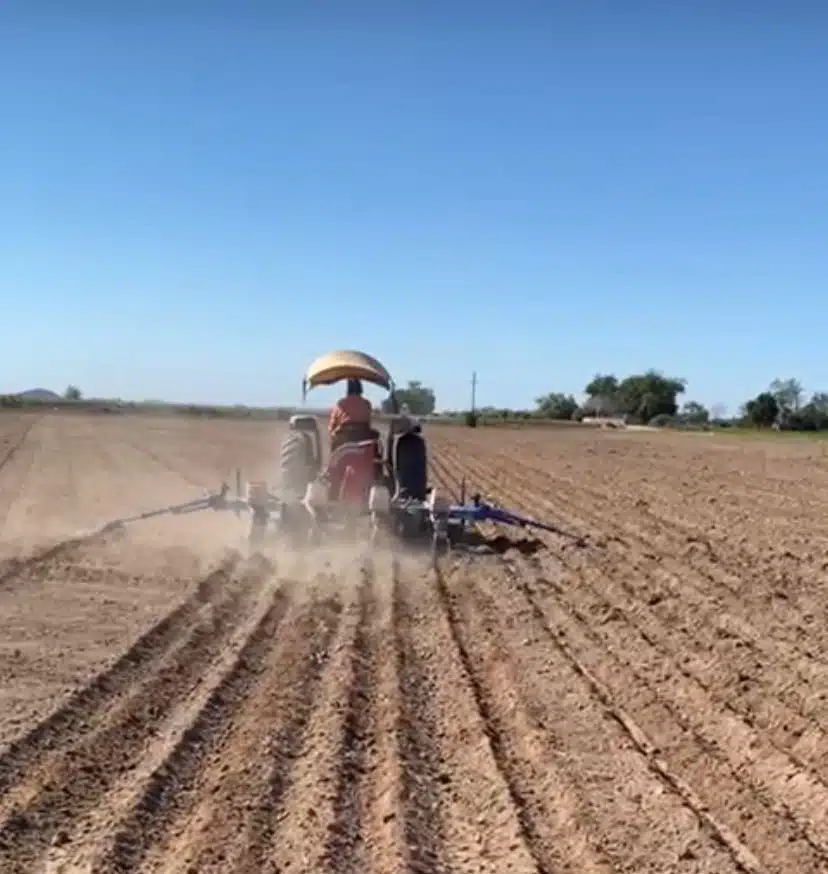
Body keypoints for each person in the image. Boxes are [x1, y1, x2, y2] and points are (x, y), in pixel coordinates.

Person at [328, 378, 372, 447]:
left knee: (334, 438)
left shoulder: (340, 403)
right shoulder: (367, 403)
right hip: (363, 439)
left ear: (348, 389)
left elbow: (332, 426)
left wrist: (333, 432)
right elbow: (368, 422)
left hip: (344, 441)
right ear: (360, 388)